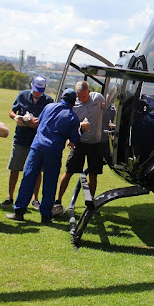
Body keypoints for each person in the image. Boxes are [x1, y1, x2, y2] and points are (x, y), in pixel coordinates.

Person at [6, 88, 89, 222]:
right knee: (50, 183)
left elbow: (40, 122)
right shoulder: (72, 117)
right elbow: (74, 138)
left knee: (28, 178)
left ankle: (19, 211)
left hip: (37, 147)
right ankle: (45, 216)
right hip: (54, 151)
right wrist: (82, 129)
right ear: (74, 102)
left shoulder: (49, 107)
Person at [54, 81, 106, 213]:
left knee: (93, 174)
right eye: (79, 96)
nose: (82, 99)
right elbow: (68, 122)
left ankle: (90, 202)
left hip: (95, 143)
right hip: (79, 143)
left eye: (84, 96)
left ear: (89, 92)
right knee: (69, 171)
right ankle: (58, 200)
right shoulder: (73, 105)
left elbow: (107, 109)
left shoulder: (98, 98)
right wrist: (70, 138)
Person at [2, 76, 53, 208]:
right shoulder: (22, 95)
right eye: (36, 90)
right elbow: (11, 111)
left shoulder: (49, 101)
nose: (37, 93)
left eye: (40, 90)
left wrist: (37, 122)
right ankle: (10, 197)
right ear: (32, 86)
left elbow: (50, 119)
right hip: (21, 138)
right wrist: (17, 117)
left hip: (38, 141)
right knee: (15, 168)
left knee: (37, 171)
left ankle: (35, 199)